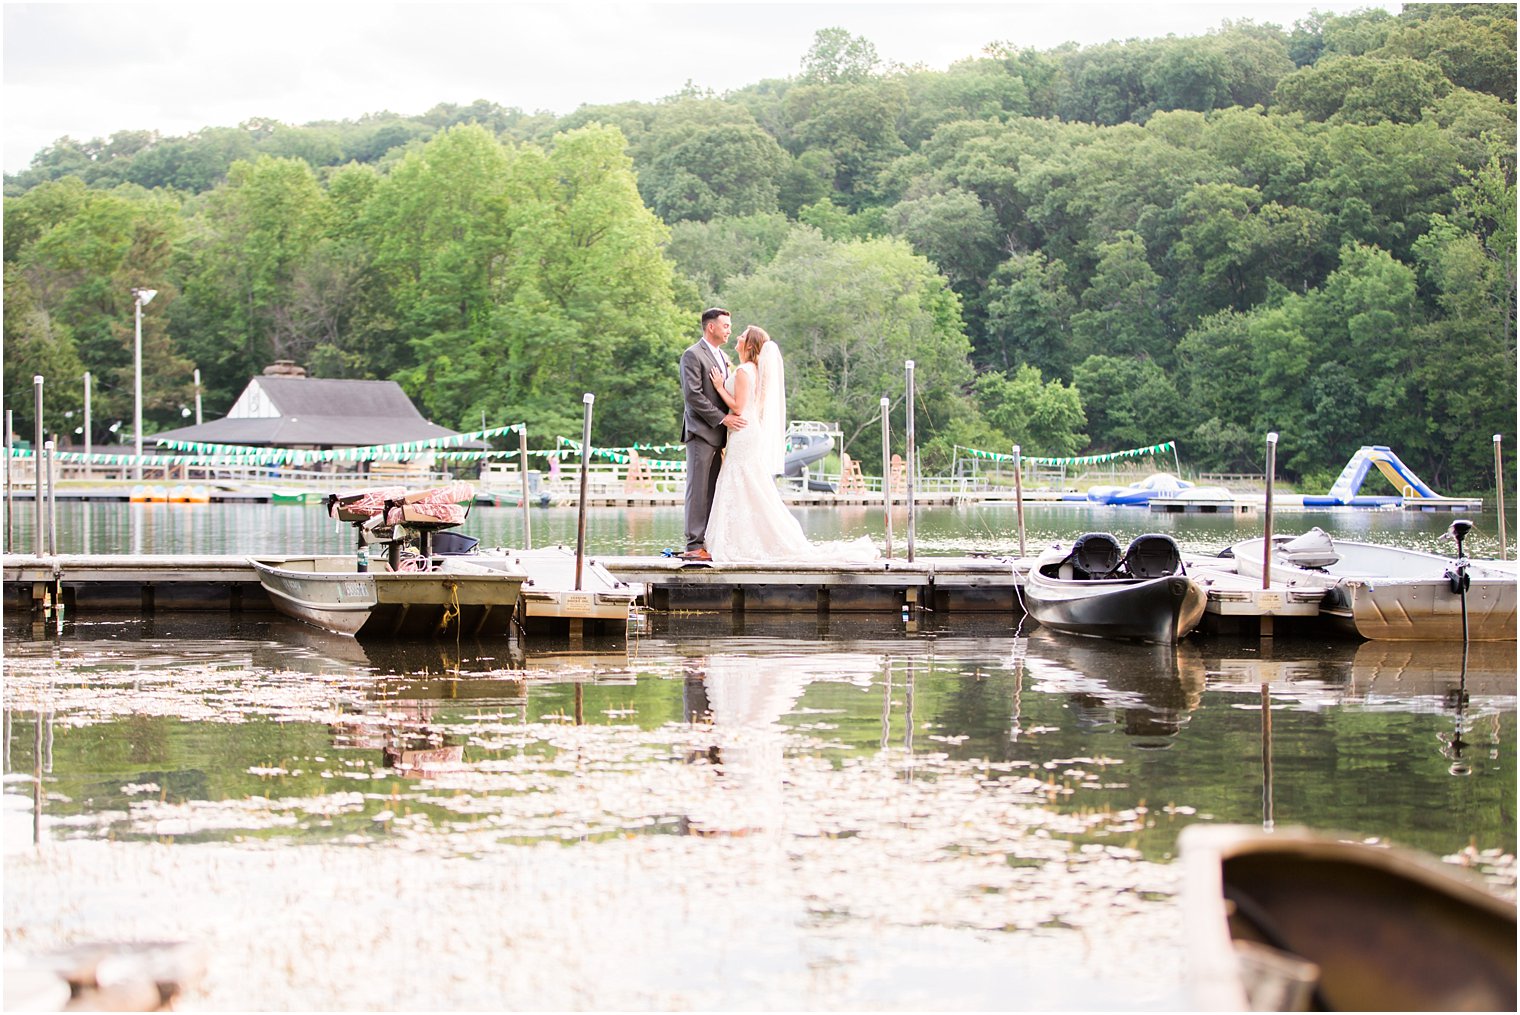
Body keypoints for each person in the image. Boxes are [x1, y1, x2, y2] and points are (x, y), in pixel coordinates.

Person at [704, 325, 878, 564]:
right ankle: (746, 538)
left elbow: (738, 407)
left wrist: (720, 387)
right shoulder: (753, 370)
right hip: (746, 430)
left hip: (743, 432)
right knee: (750, 485)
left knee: (741, 480)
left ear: (750, 345)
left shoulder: (745, 371)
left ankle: (739, 540)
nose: (737, 337)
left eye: (742, 336)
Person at [679, 308, 747, 561]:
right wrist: (722, 418)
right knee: (697, 489)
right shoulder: (692, 354)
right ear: (711, 327)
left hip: (720, 435)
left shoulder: (723, 356)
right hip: (701, 432)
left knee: (712, 490)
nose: (729, 330)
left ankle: (709, 541)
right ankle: (694, 545)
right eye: (726, 325)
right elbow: (693, 395)